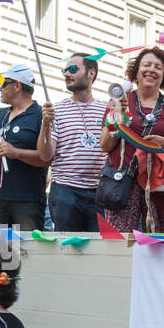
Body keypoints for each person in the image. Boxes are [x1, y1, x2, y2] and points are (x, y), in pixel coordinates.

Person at [98, 47, 164, 233]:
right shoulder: (119, 99)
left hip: (161, 188)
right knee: (120, 244)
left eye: (158, 67)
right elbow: (105, 146)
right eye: (146, 65)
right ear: (136, 72)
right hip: (122, 185)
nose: (151, 70)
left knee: (159, 244)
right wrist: (117, 114)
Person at [0, 64, 49, 231]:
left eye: (4, 83)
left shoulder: (40, 115)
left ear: (17, 85)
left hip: (26, 201)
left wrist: (16, 152)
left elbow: (46, 159)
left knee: (25, 253)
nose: (0, 88)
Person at [39, 54, 109, 232]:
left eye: (72, 69)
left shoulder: (106, 110)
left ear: (91, 73)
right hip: (65, 191)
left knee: (98, 250)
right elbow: (45, 155)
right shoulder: (56, 110)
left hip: (100, 192)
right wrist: (45, 125)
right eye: (65, 70)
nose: (66, 74)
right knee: (68, 250)